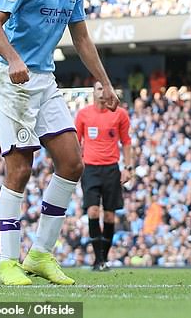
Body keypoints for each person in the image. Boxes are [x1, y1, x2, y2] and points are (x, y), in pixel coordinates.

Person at [0, 0, 120, 286]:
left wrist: (105, 83)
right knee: (21, 169)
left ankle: (40, 254)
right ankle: (8, 262)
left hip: (44, 80)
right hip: (13, 83)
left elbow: (81, 38)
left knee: (72, 163)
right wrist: (12, 59)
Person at [75, 81, 134, 271]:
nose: (102, 93)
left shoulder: (120, 114)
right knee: (93, 211)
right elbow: (76, 142)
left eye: (104, 89)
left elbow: (126, 142)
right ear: (93, 92)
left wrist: (128, 167)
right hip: (90, 168)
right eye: (98, 89)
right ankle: (98, 258)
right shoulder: (83, 114)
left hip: (111, 168)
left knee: (109, 216)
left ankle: (104, 258)